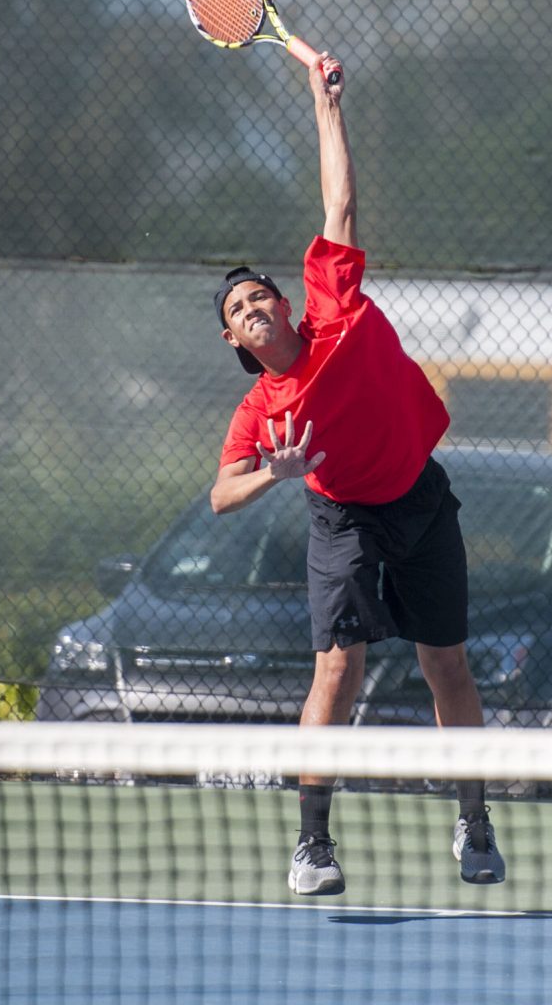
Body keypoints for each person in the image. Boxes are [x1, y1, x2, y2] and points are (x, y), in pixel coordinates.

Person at [210, 54, 505, 896]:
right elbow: (222, 493)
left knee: (446, 662)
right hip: (341, 521)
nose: (252, 305)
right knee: (337, 671)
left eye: (258, 293)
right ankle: (313, 843)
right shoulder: (260, 414)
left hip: (419, 500)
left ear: (283, 300)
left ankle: (474, 819)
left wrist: (323, 102)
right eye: (235, 309)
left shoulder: (334, 306)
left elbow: (339, 202)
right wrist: (277, 473)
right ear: (234, 340)